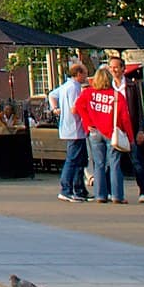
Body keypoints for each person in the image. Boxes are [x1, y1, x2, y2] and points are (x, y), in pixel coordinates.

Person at [73, 68, 135, 204]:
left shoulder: (88, 93)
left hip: (94, 132)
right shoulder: (117, 96)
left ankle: (100, 195)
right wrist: (130, 138)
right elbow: (125, 119)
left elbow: (78, 107)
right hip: (112, 132)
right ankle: (117, 195)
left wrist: (88, 123)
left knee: (98, 164)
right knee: (114, 164)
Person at [51, 63, 90, 202]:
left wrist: (55, 108)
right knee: (73, 159)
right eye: (85, 73)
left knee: (80, 159)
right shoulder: (74, 88)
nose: (86, 76)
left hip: (70, 127)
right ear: (79, 74)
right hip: (75, 128)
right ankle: (66, 189)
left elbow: (51, 95)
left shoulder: (66, 86)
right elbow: (76, 108)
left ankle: (79, 190)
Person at [122, 66, 144, 200]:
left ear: (122, 69)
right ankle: (112, 192)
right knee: (112, 163)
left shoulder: (131, 86)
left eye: (116, 67)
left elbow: (139, 109)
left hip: (131, 128)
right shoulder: (108, 87)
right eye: (111, 67)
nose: (114, 70)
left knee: (137, 161)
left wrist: (140, 129)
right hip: (115, 129)